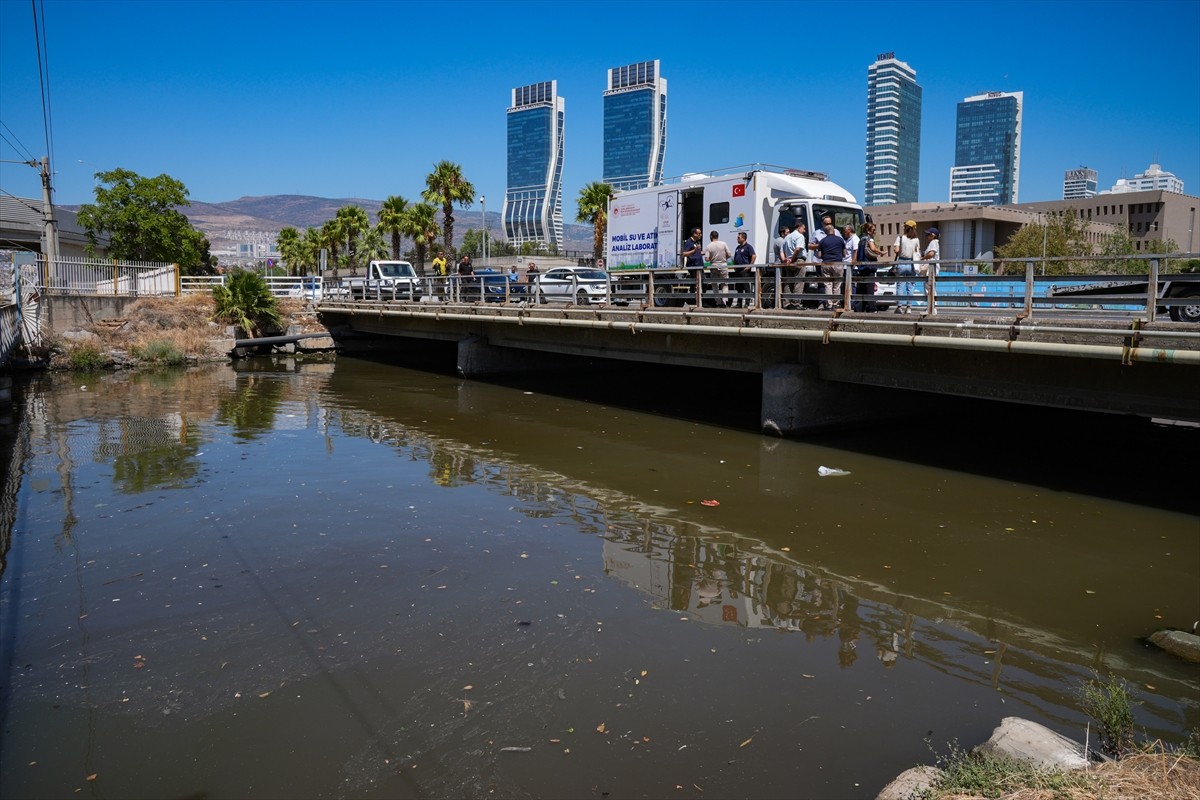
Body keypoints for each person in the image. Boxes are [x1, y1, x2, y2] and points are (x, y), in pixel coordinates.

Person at [813, 220, 846, 310]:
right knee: (837, 284)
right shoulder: (840, 240)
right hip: (838, 263)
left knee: (827, 285)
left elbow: (819, 255)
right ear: (834, 231)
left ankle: (829, 304)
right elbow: (844, 254)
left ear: (826, 232)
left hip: (826, 263)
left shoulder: (822, 241)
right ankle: (836, 304)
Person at [892, 219, 922, 314]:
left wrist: (901, 248)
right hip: (912, 264)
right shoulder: (916, 240)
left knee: (900, 285)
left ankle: (899, 307)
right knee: (911, 286)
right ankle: (909, 307)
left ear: (906, 228)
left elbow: (896, 250)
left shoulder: (900, 238)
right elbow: (917, 252)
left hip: (901, 262)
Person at [704, 230, 732, 306]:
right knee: (725, 284)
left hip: (714, 266)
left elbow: (706, 258)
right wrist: (724, 258)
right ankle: (724, 301)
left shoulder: (709, 246)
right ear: (717, 236)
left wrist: (712, 259)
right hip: (723, 265)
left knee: (714, 285)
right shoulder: (723, 244)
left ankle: (718, 302)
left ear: (711, 236)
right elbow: (729, 254)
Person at [732, 231, 756, 307]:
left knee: (746, 287)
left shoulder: (748, 247)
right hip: (738, 270)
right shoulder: (737, 248)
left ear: (743, 238)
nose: (737, 239)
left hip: (744, 270)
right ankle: (739, 303)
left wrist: (750, 266)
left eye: (739, 237)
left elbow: (754, 256)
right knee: (739, 287)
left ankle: (747, 303)